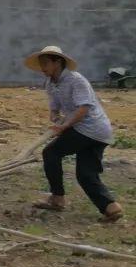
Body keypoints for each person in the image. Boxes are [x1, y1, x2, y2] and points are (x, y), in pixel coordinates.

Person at [26, 45, 123, 222]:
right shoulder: (50, 83)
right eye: (42, 64)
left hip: (91, 129)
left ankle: (57, 198)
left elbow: (83, 109)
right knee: (86, 174)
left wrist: (64, 127)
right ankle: (111, 207)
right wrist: (56, 119)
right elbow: (54, 108)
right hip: (88, 131)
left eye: (46, 63)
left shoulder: (76, 80)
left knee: (51, 152)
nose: (43, 68)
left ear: (58, 62)